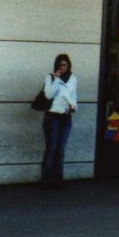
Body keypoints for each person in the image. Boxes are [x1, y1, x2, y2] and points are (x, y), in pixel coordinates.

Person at [40, 53, 77, 188]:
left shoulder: (73, 78)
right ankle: (46, 180)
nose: (63, 67)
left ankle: (58, 180)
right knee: (51, 148)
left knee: (61, 149)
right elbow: (48, 94)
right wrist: (56, 79)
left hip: (66, 117)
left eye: (65, 64)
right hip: (52, 116)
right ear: (57, 65)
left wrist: (74, 107)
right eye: (61, 64)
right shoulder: (50, 77)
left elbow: (73, 96)